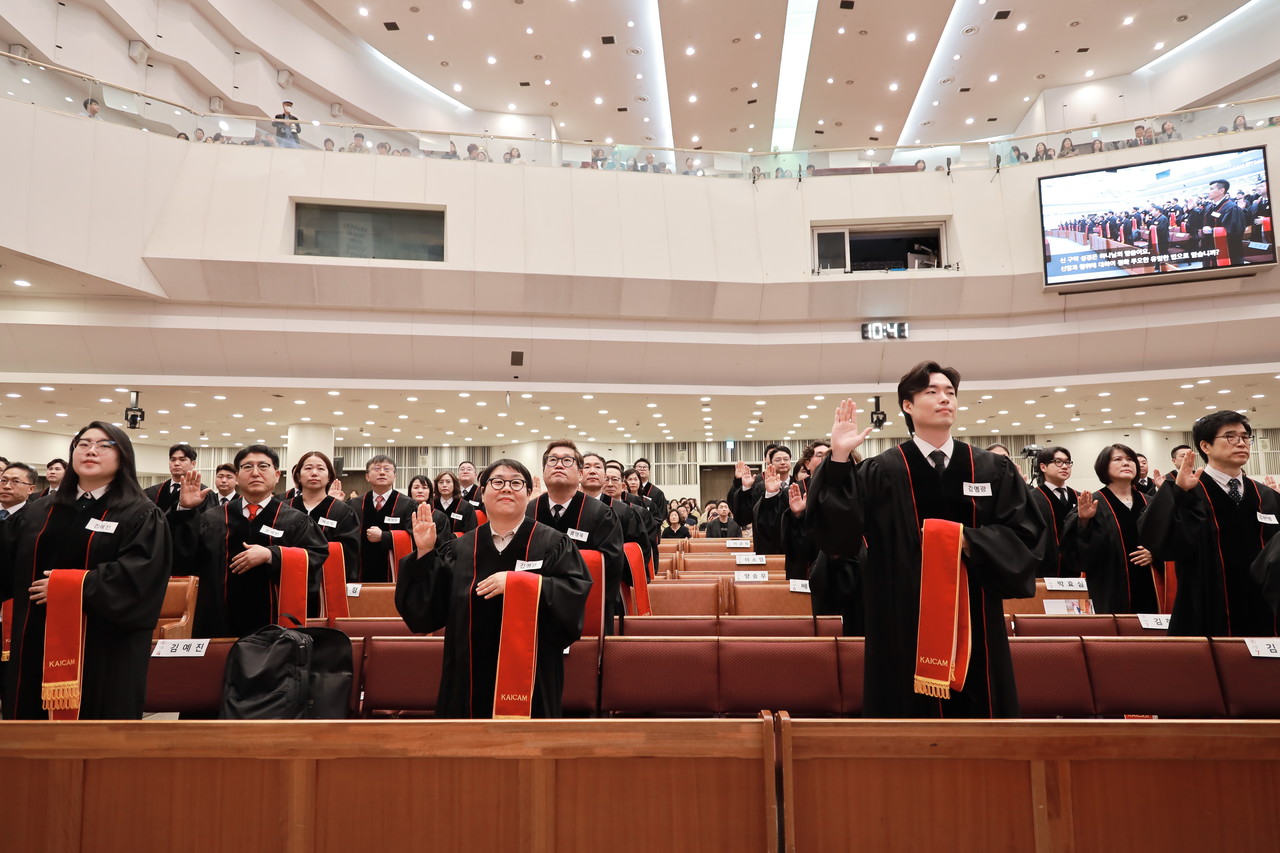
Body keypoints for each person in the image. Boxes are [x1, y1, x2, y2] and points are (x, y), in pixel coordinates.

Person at [806, 361, 1048, 718]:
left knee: (982, 710)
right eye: (932, 392)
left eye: (950, 392)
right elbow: (838, 537)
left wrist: (967, 541)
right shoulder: (881, 471)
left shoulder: (991, 469)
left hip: (975, 616)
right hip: (901, 617)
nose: (944, 399)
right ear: (907, 405)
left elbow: (1027, 536)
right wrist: (839, 458)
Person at [395, 459, 591, 718]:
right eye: (497, 482)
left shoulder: (554, 544)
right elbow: (424, 614)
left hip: (533, 672)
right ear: (483, 493)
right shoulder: (459, 549)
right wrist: (424, 553)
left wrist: (519, 583)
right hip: (466, 675)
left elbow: (573, 596)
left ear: (529, 493)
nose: (506, 488)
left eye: (516, 483)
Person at [1, 423, 171, 719]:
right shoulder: (40, 510)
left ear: (123, 457)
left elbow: (141, 577)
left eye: (105, 445)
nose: (91, 450)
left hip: (104, 645)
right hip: (35, 639)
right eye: (83, 443)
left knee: (97, 723)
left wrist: (71, 586)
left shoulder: (139, 513)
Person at [1142, 412, 1278, 636]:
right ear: (1205, 446)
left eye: (1245, 437)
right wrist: (1178, 493)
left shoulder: (1266, 495)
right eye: (1231, 437)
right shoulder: (1188, 490)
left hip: (1262, 607)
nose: (1241, 443)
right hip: (1205, 604)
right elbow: (1157, 540)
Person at [172, 445, 328, 637]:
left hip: (276, 625)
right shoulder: (212, 518)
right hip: (217, 622)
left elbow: (316, 556)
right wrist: (185, 512)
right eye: (247, 467)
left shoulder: (296, 520)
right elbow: (182, 560)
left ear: (277, 475)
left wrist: (273, 554)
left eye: (263, 466)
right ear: (237, 476)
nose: (255, 473)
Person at [529, 441, 625, 627]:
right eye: (552, 460)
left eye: (567, 460)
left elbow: (610, 567)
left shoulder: (601, 514)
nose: (558, 465)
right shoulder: (528, 512)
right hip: (536, 606)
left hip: (586, 605)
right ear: (543, 471)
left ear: (580, 474)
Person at [1063, 444, 1160, 614]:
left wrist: (1156, 554)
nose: (1126, 463)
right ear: (1104, 467)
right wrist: (1084, 521)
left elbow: (1170, 540)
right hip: (1110, 588)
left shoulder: (1151, 503)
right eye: (1118, 459)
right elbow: (1077, 554)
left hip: (1152, 586)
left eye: (1130, 459)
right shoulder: (1092, 502)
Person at [288, 451, 361, 583]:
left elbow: (349, 553)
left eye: (321, 468)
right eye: (308, 468)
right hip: (288, 579)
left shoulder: (342, 511)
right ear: (298, 476)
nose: (314, 473)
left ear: (329, 477)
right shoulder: (284, 508)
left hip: (328, 582)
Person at [347, 455, 418, 582]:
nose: (382, 472)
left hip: (395, 572)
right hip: (360, 571)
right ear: (367, 476)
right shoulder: (355, 504)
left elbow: (414, 537)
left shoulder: (408, 504)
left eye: (387, 469)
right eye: (376, 469)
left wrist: (385, 537)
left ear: (394, 476)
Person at [1032, 447, 1078, 578]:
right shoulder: (1032, 498)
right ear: (1043, 467)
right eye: (1058, 462)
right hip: (1043, 569)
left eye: (1068, 462)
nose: (1065, 466)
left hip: (1075, 568)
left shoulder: (1079, 497)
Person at [144, 443, 213, 513]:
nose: (176, 463)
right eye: (173, 460)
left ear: (193, 464)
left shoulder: (204, 493)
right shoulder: (151, 492)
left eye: (182, 460)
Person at [1201, 178, 1247, 266]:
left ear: (1221, 190)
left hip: (1227, 249)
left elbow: (1235, 231)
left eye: (1211, 189)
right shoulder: (1210, 207)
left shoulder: (1231, 207)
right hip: (1210, 247)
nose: (1208, 192)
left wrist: (1211, 231)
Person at [632, 458, 667, 542]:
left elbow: (661, 515)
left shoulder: (657, 493)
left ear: (649, 472)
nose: (642, 469)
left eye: (645, 467)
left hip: (650, 534)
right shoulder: (627, 491)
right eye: (639, 467)